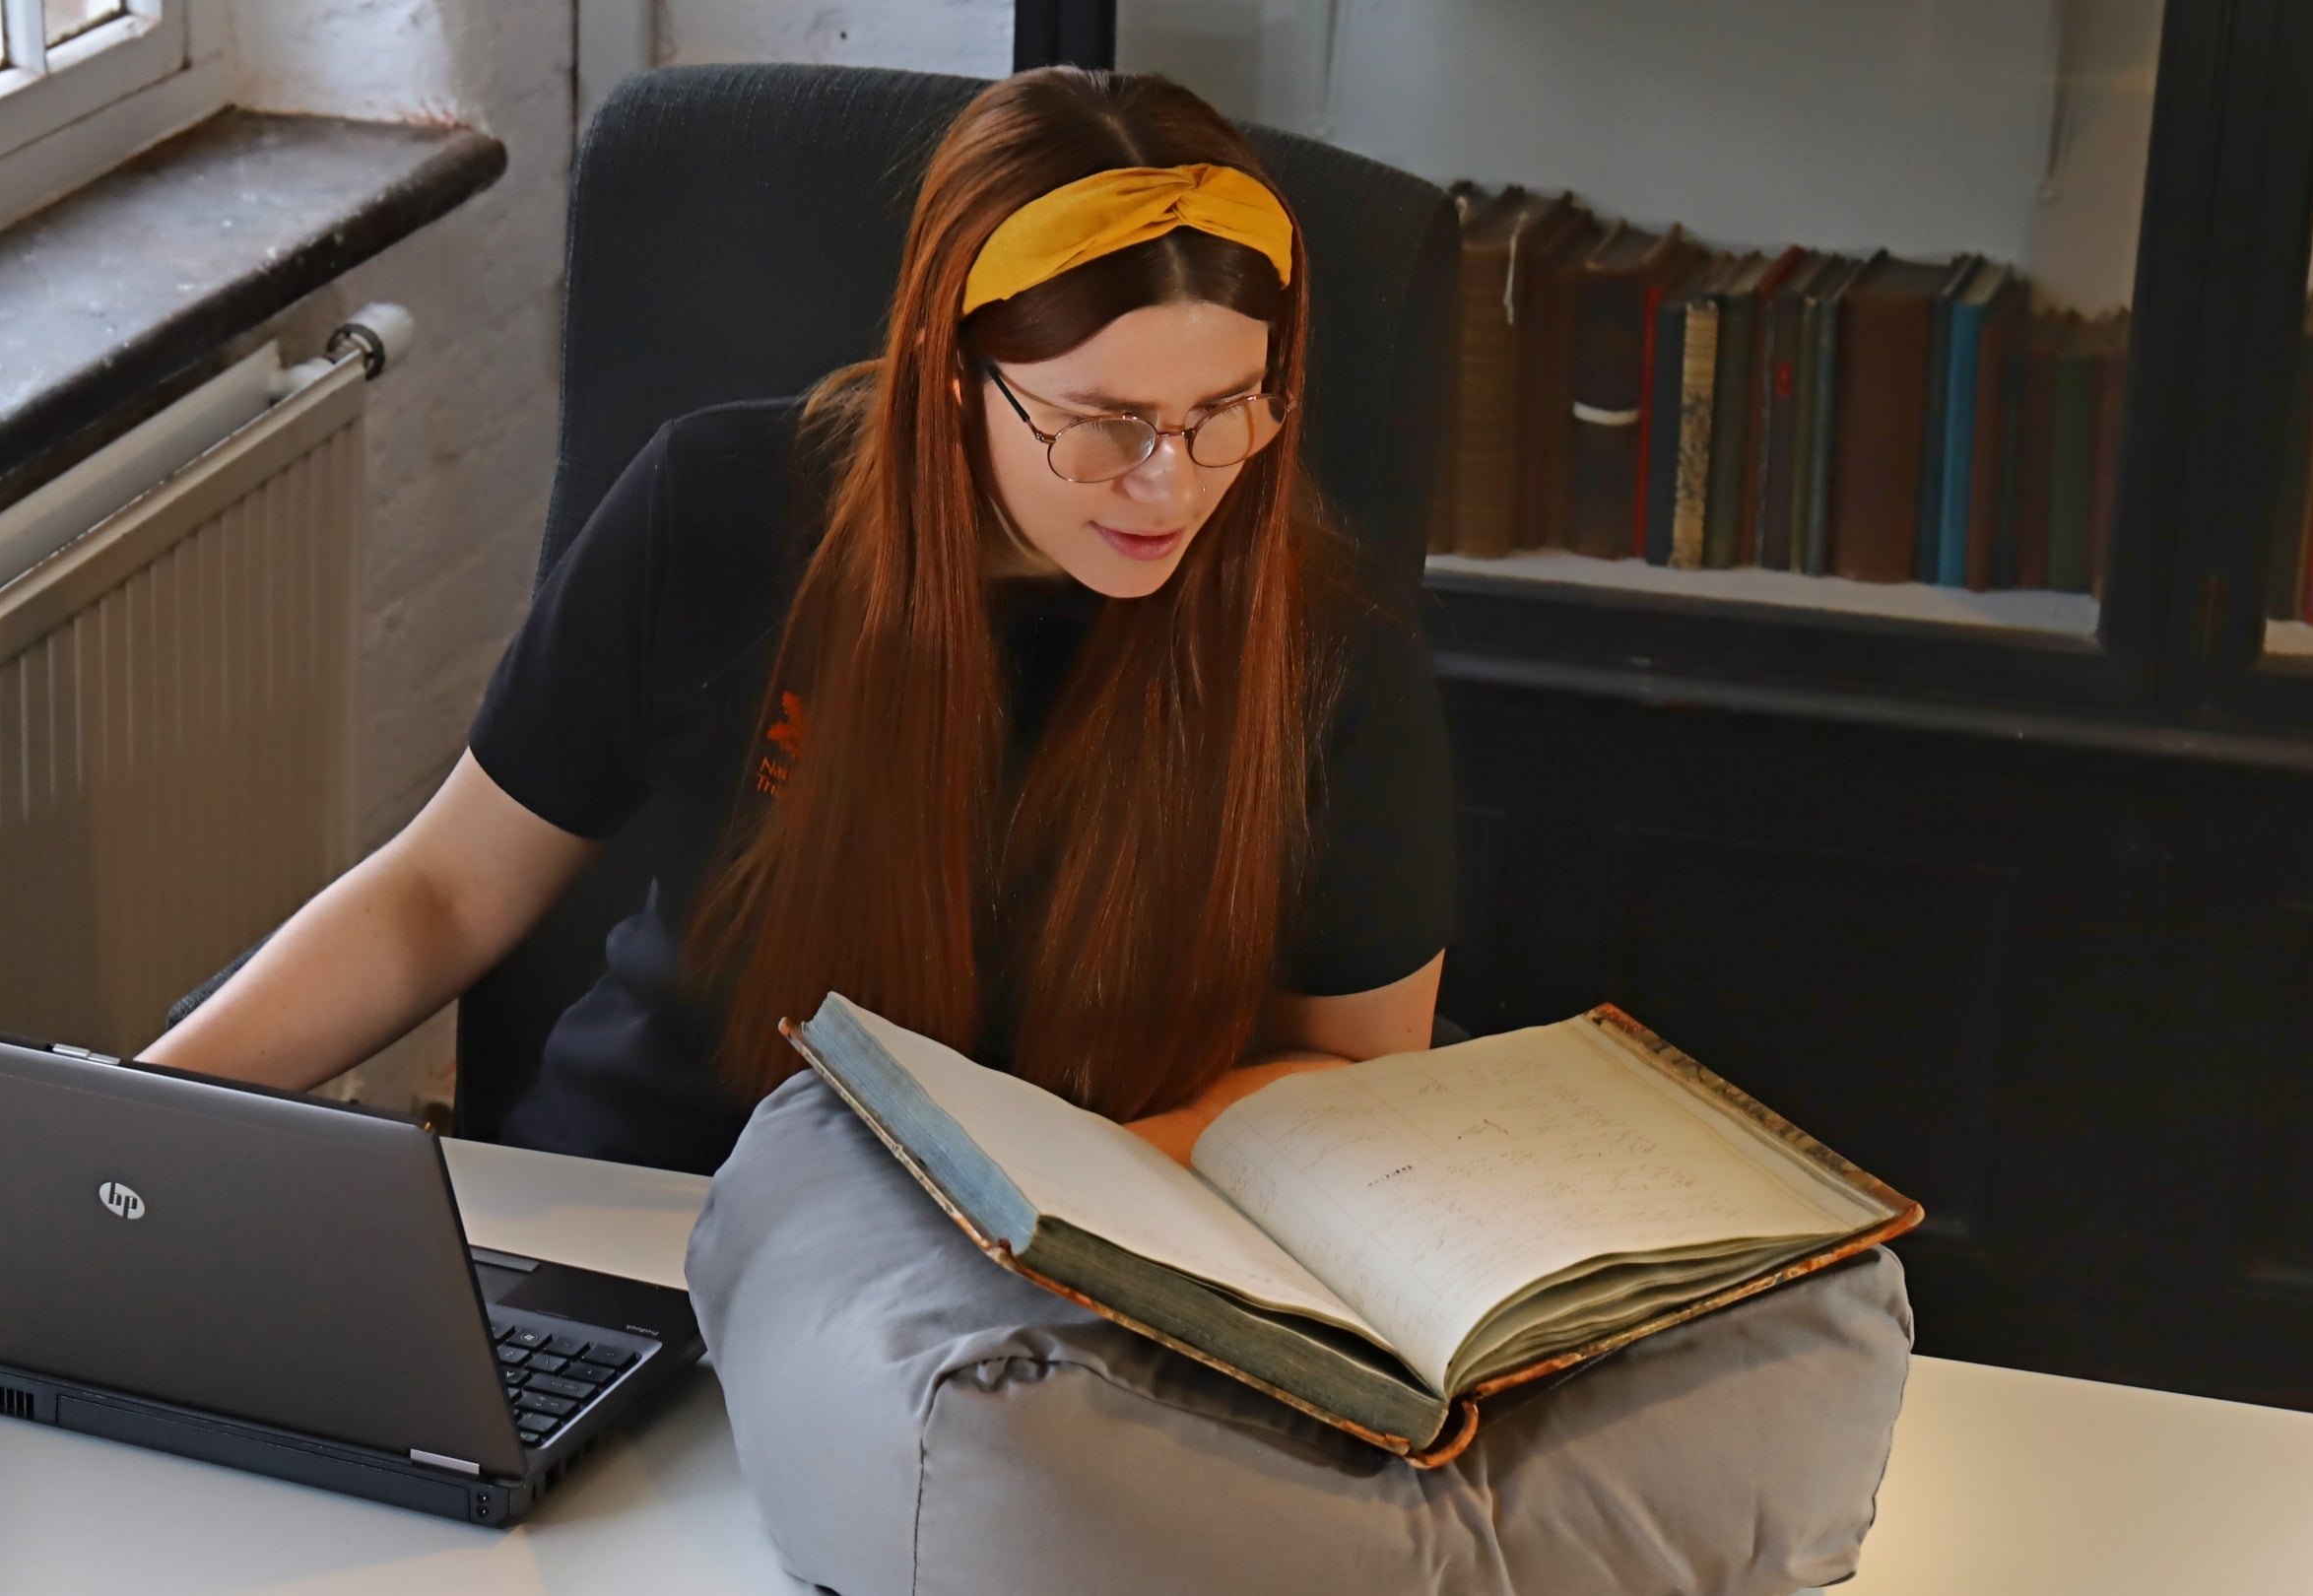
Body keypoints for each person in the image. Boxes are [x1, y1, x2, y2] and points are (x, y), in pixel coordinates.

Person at [141, 66, 1456, 1175]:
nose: (1175, 482)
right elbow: (440, 894)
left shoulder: (1332, 660)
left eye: (1226, 405)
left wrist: (1055, 1200)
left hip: (1024, 1300)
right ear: (951, 379)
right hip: (651, 1212)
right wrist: (139, 1112)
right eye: (1105, 424)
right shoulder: (716, 510)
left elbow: (1351, 1081)